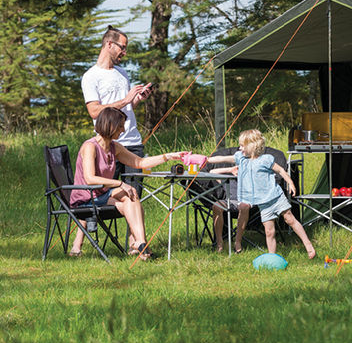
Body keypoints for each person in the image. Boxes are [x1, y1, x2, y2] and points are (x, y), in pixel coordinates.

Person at [68, 107, 188, 259]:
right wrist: (120, 183)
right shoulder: (90, 147)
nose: (123, 130)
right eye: (120, 126)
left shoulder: (114, 147)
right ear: (110, 125)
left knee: (131, 195)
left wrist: (168, 156)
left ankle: (139, 243)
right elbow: (90, 179)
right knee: (128, 194)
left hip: (101, 194)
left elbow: (140, 162)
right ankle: (141, 245)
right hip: (85, 198)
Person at [207, 129, 316, 258]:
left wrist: (290, 183)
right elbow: (222, 158)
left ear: (252, 146)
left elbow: (280, 170)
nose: (240, 148)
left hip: (275, 197)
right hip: (263, 203)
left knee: (290, 219)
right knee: (270, 232)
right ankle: (272, 257)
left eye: (242, 145)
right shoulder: (240, 158)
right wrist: (207, 160)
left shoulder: (266, 159)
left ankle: (308, 246)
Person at [81, 25, 152, 194]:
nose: (124, 52)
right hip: (108, 145)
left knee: (134, 196)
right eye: (123, 47)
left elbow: (126, 109)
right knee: (102, 196)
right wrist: (125, 100)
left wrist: (135, 100)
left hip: (133, 144)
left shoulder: (122, 73)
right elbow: (94, 111)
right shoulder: (91, 76)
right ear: (109, 44)